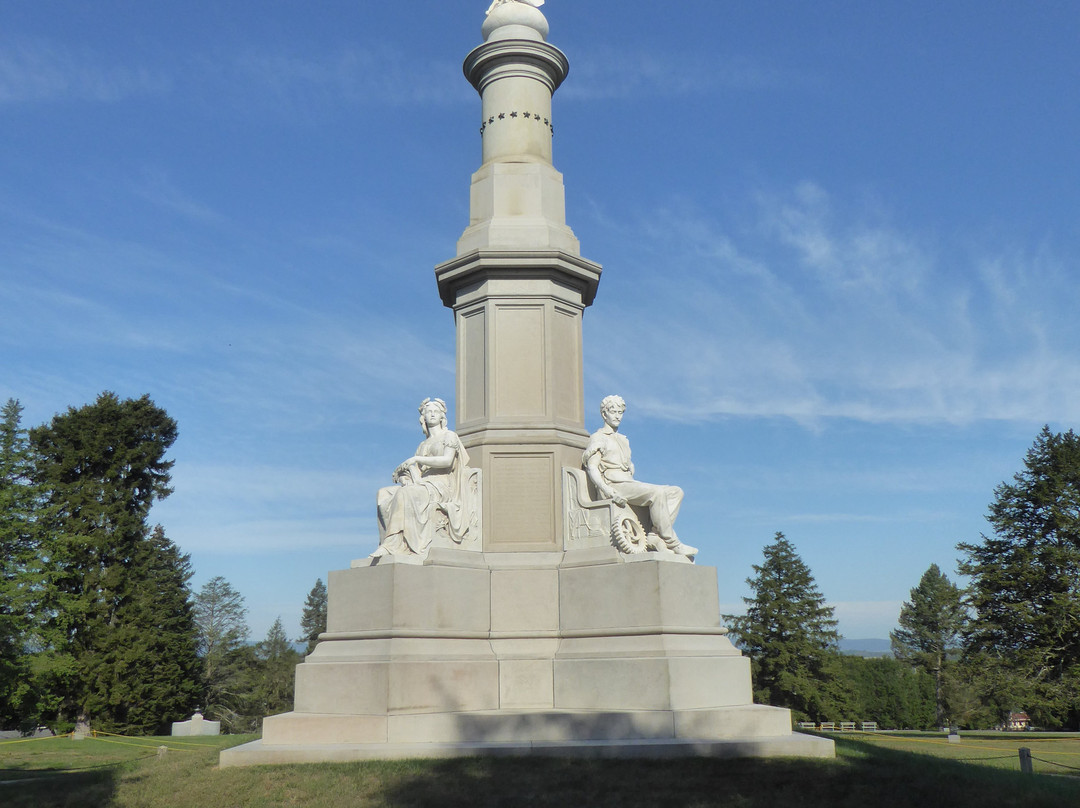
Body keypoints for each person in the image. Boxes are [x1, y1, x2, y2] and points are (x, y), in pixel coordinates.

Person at [583, 395, 698, 558]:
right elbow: (592, 468)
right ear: (604, 414)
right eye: (613, 412)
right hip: (614, 485)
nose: (617, 416)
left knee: (676, 491)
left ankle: (655, 535)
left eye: (620, 412)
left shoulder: (624, 440)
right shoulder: (598, 437)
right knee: (657, 493)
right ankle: (672, 542)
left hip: (629, 483)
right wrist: (606, 490)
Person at [371, 398, 473, 558]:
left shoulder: (449, 436)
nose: (432, 414)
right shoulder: (422, 445)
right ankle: (390, 542)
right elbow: (417, 475)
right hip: (423, 484)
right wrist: (405, 476)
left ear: (442, 417)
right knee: (383, 494)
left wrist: (417, 460)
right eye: (429, 412)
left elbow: (447, 461)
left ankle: (392, 544)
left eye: (436, 412)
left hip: (442, 485)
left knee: (405, 494)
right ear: (423, 417)